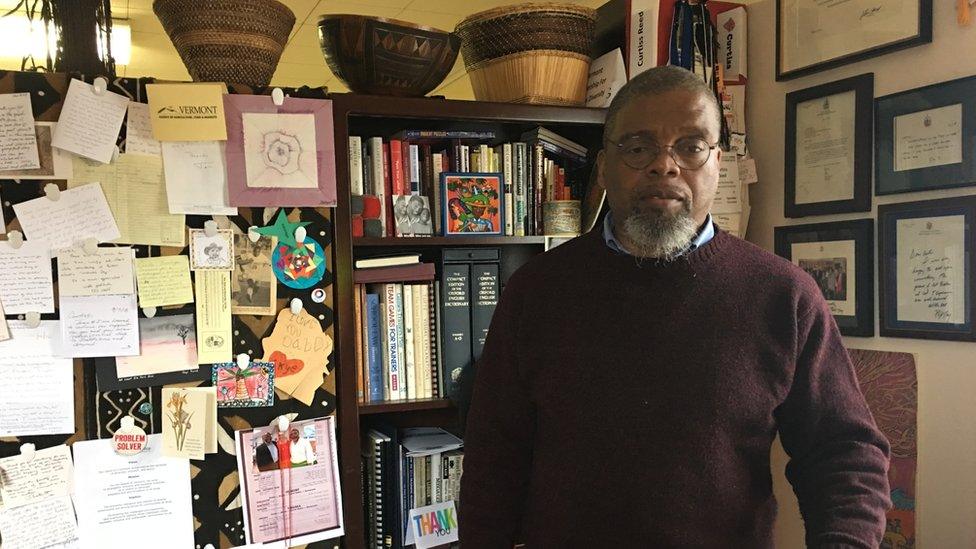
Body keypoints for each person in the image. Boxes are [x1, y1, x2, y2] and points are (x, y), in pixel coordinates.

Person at [459, 66, 891, 547]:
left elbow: (843, 454)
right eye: (639, 146)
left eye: (691, 146)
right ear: (603, 167)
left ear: (717, 165)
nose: (664, 166)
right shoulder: (536, 292)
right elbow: (492, 461)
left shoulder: (784, 296)